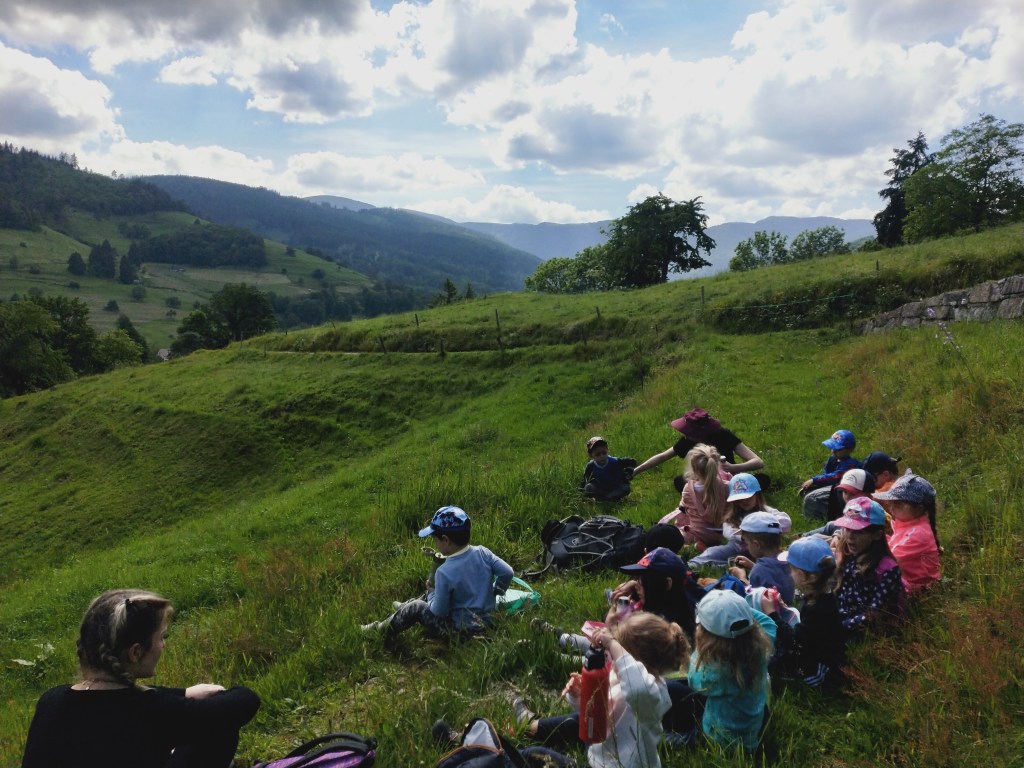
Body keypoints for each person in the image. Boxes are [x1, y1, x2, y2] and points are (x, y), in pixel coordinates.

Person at [21, 589, 260, 768]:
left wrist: (184, 694)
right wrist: (208, 695)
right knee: (217, 726)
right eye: (161, 637)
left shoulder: (50, 701)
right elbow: (246, 701)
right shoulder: (153, 711)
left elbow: (113, 701)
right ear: (135, 652)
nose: (163, 646)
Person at [514, 612, 689, 768]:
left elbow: (638, 689)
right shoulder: (617, 677)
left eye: (617, 652)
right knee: (532, 754)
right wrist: (580, 696)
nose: (611, 655)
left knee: (531, 754)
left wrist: (614, 645)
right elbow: (595, 719)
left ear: (635, 661)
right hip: (598, 756)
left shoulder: (654, 693)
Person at [361, 505, 514, 638]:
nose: (435, 543)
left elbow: (439, 611)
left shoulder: (444, 572)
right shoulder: (483, 553)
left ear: (446, 540)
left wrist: (433, 592)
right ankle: (403, 608)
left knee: (417, 606)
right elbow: (508, 572)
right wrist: (497, 591)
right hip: (486, 623)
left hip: (459, 632)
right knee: (432, 593)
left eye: (435, 539)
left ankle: (380, 629)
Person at [686, 589, 773, 752]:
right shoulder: (761, 651)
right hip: (751, 732)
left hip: (718, 741)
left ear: (705, 636)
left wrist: (698, 650)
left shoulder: (712, 672)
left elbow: (692, 683)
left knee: (677, 736)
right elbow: (769, 624)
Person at [775, 537, 846, 688]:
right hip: (813, 654)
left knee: (771, 670)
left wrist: (773, 616)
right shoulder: (820, 596)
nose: (790, 573)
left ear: (801, 574)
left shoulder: (819, 608)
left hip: (819, 672)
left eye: (791, 568)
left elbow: (794, 640)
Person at [832, 497, 905, 639]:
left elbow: (874, 614)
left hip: (866, 632)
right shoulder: (847, 555)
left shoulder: (887, 569)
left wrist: (838, 628)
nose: (850, 537)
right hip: (840, 617)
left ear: (877, 535)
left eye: (858, 532)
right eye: (847, 529)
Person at [690, 473, 792, 568]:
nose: (744, 501)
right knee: (713, 552)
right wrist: (744, 536)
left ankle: (759, 566)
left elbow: (786, 522)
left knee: (776, 558)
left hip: (764, 549)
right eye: (740, 499)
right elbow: (729, 532)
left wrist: (762, 528)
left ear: (757, 495)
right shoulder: (733, 516)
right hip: (737, 548)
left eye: (748, 497)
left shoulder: (766, 512)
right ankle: (691, 565)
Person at [631, 408, 765, 479]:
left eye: (687, 432)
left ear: (698, 434)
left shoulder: (724, 435)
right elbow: (662, 457)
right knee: (680, 481)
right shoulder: (687, 441)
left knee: (761, 479)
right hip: (702, 483)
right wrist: (635, 471)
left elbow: (758, 462)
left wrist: (732, 468)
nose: (684, 434)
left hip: (729, 479)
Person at [875, 471, 940, 593]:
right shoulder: (905, 524)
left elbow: (890, 559)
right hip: (906, 580)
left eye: (898, 504)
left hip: (916, 588)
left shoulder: (919, 534)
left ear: (919, 508)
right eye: (891, 502)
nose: (891, 507)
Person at [658, 444, 728, 550]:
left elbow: (683, 511)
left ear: (694, 469)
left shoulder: (688, 489)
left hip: (697, 534)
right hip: (722, 533)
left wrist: (679, 526)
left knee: (670, 539)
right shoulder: (726, 486)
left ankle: (694, 546)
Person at [728, 511, 795, 604]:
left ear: (757, 544)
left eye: (747, 543)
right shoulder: (787, 559)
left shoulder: (758, 572)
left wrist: (742, 579)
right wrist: (753, 566)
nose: (747, 547)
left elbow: (753, 599)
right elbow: (774, 573)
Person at [800, 429, 862, 520]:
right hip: (833, 487)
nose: (833, 451)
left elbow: (835, 477)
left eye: (838, 449)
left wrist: (814, 480)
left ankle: (815, 520)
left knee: (812, 498)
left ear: (850, 449)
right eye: (832, 448)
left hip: (843, 491)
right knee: (808, 490)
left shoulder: (850, 464)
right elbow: (827, 474)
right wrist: (815, 484)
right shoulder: (833, 459)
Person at [580, 436, 637, 502]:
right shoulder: (591, 465)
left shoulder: (615, 461)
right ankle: (607, 497)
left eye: (604, 452)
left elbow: (633, 462)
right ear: (591, 455)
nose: (602, 456)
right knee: (588, 487)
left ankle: (606, 498)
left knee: (626, 488)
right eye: (597, 454)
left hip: (616, 487)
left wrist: (629, 470)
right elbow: (585, 480)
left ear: (607, 449)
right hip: (600, 488)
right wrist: (581, 492)